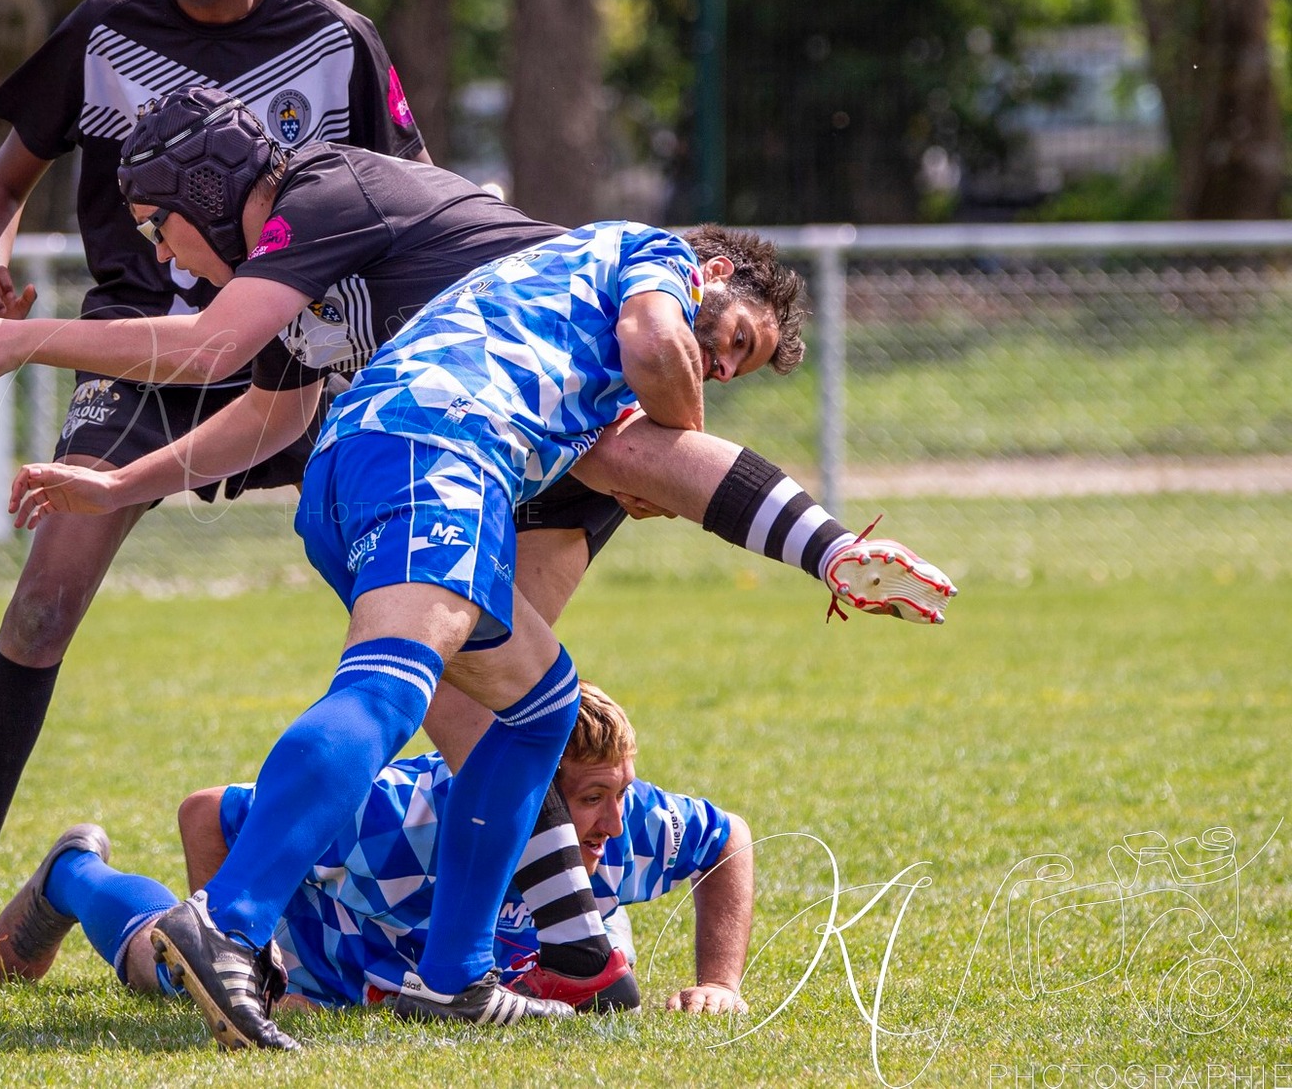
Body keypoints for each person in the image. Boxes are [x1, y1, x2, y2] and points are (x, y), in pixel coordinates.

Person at [121, 209, 952, 1049]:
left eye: (740, 366)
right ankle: (227, 918)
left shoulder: (564, 327)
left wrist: (828, 549)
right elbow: (660, 348)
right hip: (433, 453)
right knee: (387, 690)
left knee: (539, 708)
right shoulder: (656, 258)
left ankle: (454, 977)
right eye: (738, 337)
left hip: (383, 457)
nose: (725, 364)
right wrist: (689, 449)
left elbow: (665, 455)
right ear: (719, 268)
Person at [0, 0, 430, 1006]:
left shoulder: (333, 41)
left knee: (416, 607)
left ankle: (469, 912)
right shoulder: (105, 32)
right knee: (43, 601)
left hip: (306, 354)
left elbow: (398, 194)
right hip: (140, 356)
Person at [0, 681, 753, 1018]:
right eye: (589, 798)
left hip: (404, 979)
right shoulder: (396, 816)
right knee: (170, 967)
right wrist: (248, 970)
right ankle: (74, 873)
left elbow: (730, 842)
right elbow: (207, 814)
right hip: (315, 956)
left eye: (621, 790)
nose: (614, 823)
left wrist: (719, 982)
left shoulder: (629, 821)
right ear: (531, 792)